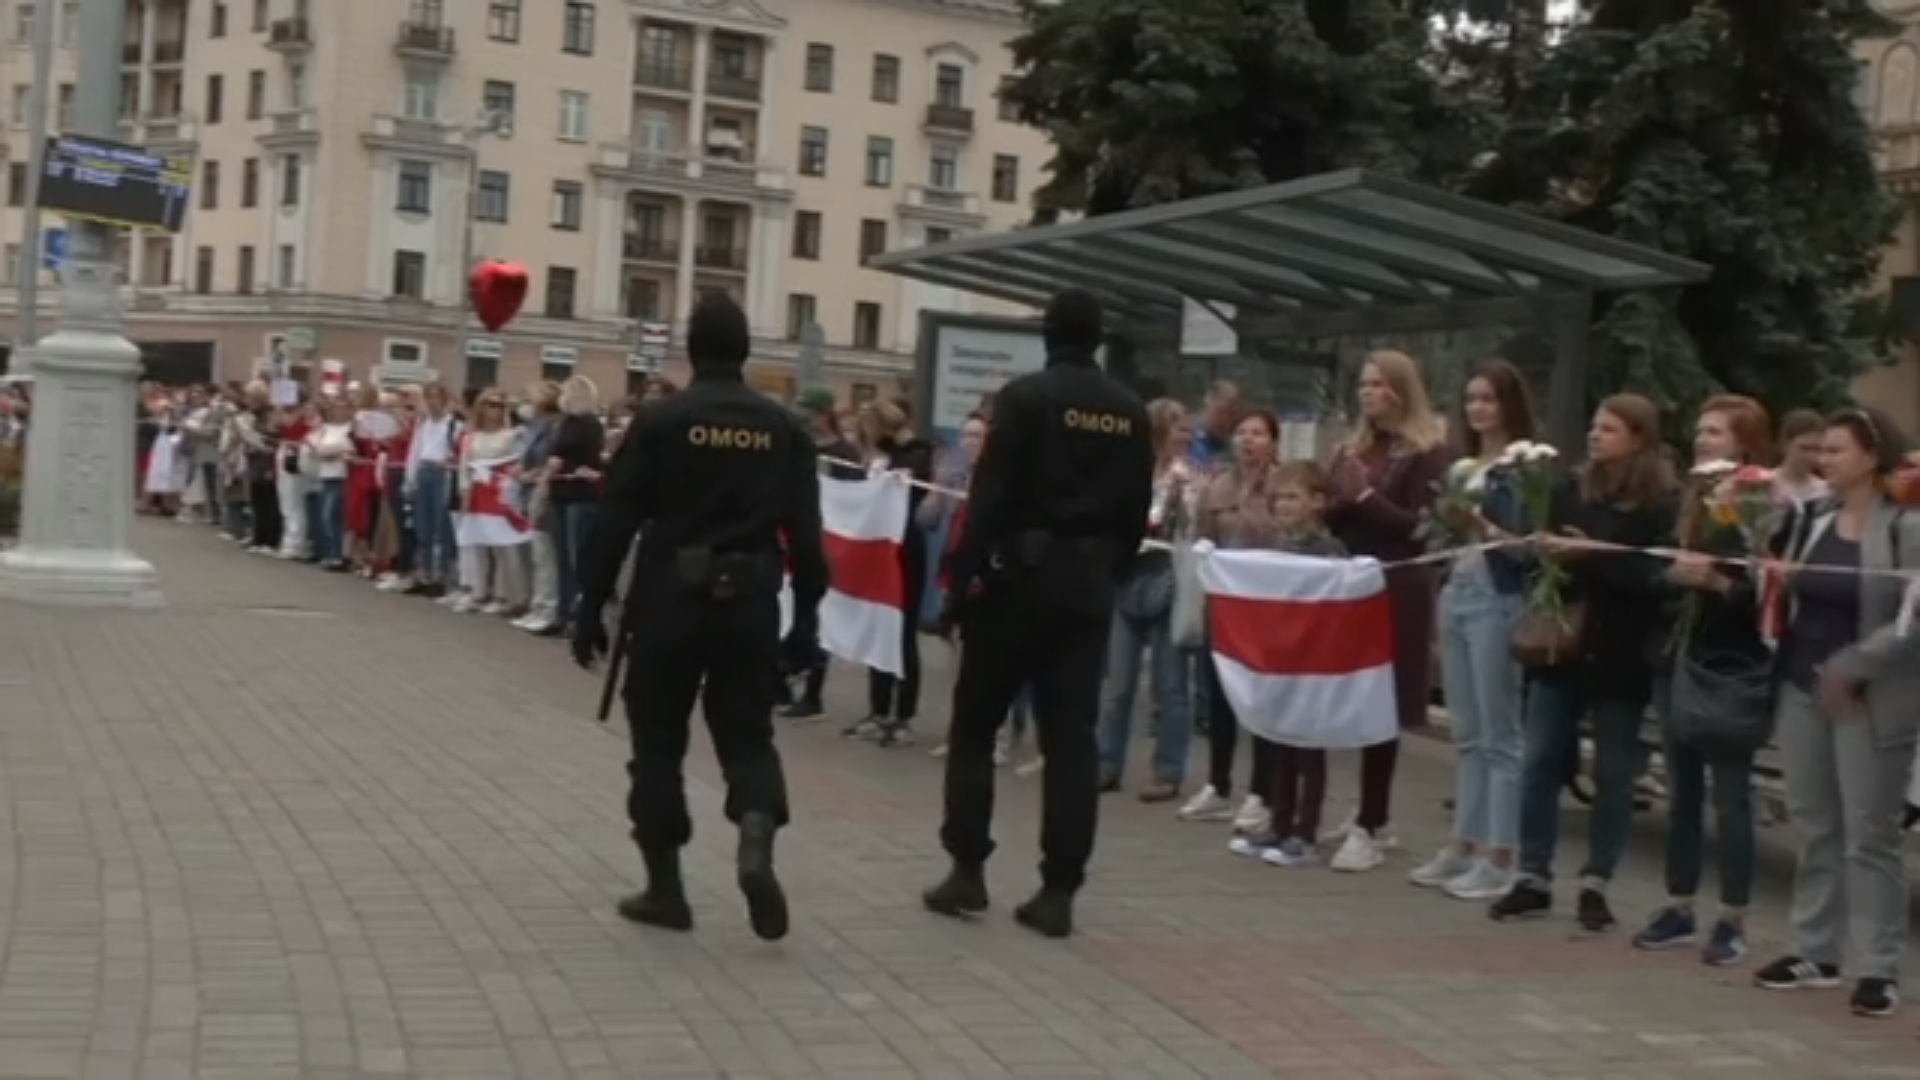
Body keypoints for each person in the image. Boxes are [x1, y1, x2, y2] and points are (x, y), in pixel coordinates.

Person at [570, 292, 827, 943]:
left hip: (668, 602)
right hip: (750, 602)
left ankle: (666, 890)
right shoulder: (785, 427)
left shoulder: (661, 420)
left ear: (691, 348)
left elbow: (615, 519)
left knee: (656, 747)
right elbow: (809, 537)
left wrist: (589, 604)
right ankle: (757, 830)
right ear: (745, 350)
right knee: (747, 735)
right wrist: (807, 626)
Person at [922, 287, 1154, 940]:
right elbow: (1136, 517)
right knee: (1071, 740)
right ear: (1100, 337)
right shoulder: (1130, 411)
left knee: (974, 728)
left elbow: (989, 501)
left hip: (1014, 586)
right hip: (1085, 592)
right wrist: (1102, 570)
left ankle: (966, 871)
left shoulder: (1024, 399)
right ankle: (1058, 890)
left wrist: (957, 591)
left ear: (1050, 335)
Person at [1490, 394, 1679, 930]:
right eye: (1594, 425)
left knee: (1616, 775)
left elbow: (1655, 579)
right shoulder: (1568, 488)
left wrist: (1595, 555)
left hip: (1620, 654)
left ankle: (1597, 881)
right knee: (1540, 761)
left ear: (1639, 437)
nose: (1596, 435)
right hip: (1561, 647)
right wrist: (1550, 554)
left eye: (1611, 428)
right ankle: (1533, 876)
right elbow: (1542, 556)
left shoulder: (1660, 503)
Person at [1758, 407, 1919, 1019]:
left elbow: (1913, 618)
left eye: (1836, 451)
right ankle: (1814, 949)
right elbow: (1790, 593)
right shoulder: (1811, 517)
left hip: (1868, 696)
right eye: (1819, 450)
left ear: (1871, 457)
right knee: (1814, 820)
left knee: (1869, 832)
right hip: (1803, 684)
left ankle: (1878, 965)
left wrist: (1855, 665)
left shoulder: (1906, 523)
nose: (1823, 460)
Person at [1632, 394, 1774, 966]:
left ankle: (1733, 918)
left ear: (1744, 444)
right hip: (1677, 660)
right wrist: (1671, 575)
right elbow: (1650, 572)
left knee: (1731, 797)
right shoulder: (1687, 500)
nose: (1702, 440)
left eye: (1715, 432)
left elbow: (1768, 596)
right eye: (1699, 430)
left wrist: (1719, 586)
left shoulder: (1759, 504)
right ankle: (1680, 904)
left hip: (1731, 669)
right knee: (1682, 791)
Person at [1411, 361, 1538, 900]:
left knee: (1498, 734)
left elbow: (1527, 546)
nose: (1478, 409)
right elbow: (1443, 535)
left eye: (1488, 398)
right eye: (1471, 399)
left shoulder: (1526, 466)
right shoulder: (1464, 466)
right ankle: (1463, 842)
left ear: (1509, 404)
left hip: (1497, 597)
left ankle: (1500, 853)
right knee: (1466, 734)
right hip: (1457, 593)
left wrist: (1479, 524)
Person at [1223, 459, 1348, 866]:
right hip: (1280, 663)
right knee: (1278, 746)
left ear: (1318, 502)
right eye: (1277, 498)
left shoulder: (1331, 551)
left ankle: (1305, 831)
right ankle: (1278, 823)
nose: (1282, 505)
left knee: (1309, 750)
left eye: (1292, 497)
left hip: (1313, 666)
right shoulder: (1276, 548)